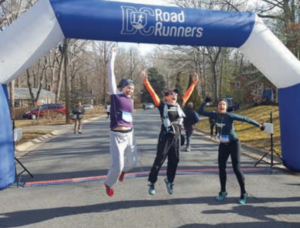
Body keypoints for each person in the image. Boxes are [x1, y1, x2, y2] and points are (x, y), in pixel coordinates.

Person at [140, 71, 198, 195]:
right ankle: (152, 182)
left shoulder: (179, 104)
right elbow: (153, 94)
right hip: (165, 137)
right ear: (166, 97)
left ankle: (170, 181)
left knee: (175, 160)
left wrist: (194, 82)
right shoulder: (162, 105)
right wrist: (146, 81)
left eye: (175, 94)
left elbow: (188, 93)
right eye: (172, 94)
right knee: (159, 160)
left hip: (177, 137)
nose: (174, 95)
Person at [198, 97, 265, 204]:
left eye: (223, 105)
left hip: (234, 144)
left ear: (226, 107)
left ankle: (243, 193)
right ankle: (223, 191)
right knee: (221, 168)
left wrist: (259, 125)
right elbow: (200, 111)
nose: (221, 106)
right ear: (217, 106)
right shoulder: (214, 115)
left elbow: (245, 119)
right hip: (223, 145)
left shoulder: (230, 116)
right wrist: (205, 102)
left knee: (236, 169)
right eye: (220, 104)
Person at [104, 48, 138, 197]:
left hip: (130, 133)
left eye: (132, 88)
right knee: (117, 165)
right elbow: (111, 74)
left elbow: (129, 117)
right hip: (117, 135)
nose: (130, 90)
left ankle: (124, 172)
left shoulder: (131, 100)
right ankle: (109, 183)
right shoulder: (115, 96)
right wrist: (113, 56)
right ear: (121, 87)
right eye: (127, 87)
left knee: (133, 162)